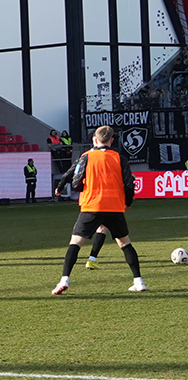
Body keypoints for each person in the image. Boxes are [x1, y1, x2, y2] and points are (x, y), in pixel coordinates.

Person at [53, 125, 145, 294]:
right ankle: (138, 281)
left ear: (95, 140)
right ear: (112, 140)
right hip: (114, 207)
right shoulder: (119, 158)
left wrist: (59, 187)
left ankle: (64, 280)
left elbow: (71, 173)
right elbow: (129, 184)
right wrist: (128, 202)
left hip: (92, 206)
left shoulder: (86, 156)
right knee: (125, 243)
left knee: (75, 243)